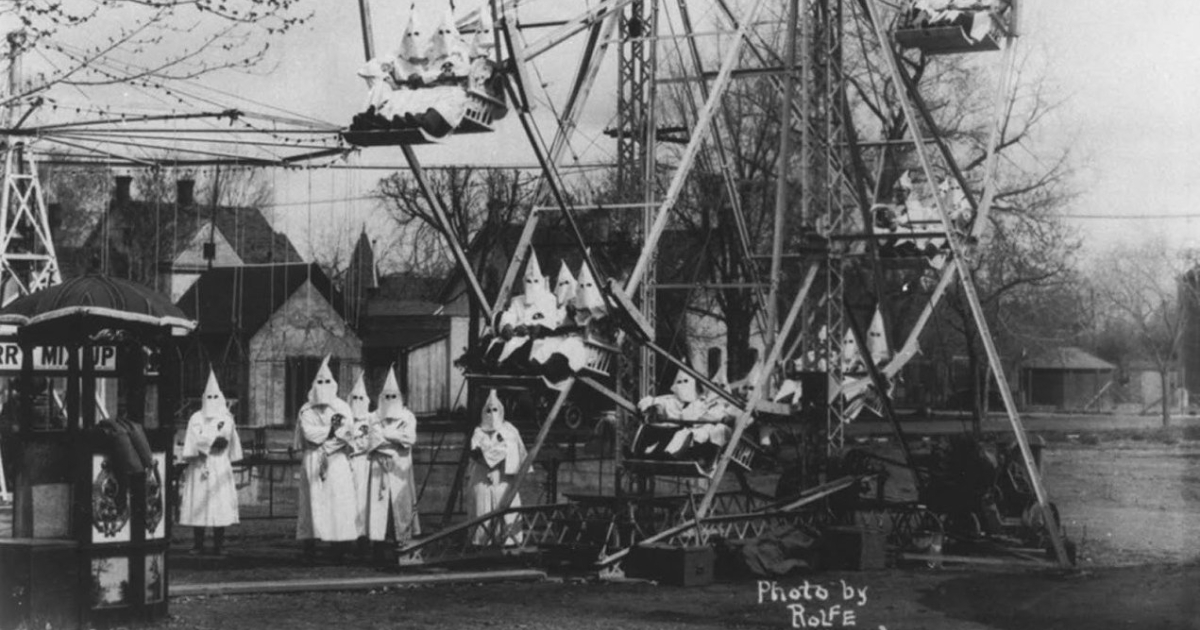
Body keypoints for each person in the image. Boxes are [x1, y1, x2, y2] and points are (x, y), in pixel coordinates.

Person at [294, 356, 359, 560]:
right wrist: (331, 431)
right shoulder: (306, 409)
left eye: (326, 382)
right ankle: (310, 544)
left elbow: (346, 434)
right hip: (313, 459)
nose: (323, 386)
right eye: (319, 382)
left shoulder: (342, 407)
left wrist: (326, 442)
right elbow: (308, 433)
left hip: (336, 460)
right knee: (312, 500)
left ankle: (338, 545)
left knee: (337, 500)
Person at [178, 370, 244, 555]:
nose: (212, 399)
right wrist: (211, 440)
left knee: (218, 503)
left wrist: (207, 439)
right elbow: (194, 440)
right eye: (209, 396)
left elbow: (225, 440)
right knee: (199, 502)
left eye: (216, 396)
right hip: (200, 465)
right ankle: (198, 544)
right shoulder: (196, 418)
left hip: (219, 463)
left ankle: (218, 544)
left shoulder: (226, 418)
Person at [367, 367, 420, 553]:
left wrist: (386, 434)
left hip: (400, 465)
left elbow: (410, 439)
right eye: (386, 396)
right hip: (379, 465)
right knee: (379, 503)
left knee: (401, 501)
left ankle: (402, 539)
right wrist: (395, 438)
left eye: (393, 396)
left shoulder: (408, 416)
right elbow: (373, 441)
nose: (390, 401)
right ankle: (378, 543)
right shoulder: (372, 416)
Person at [467, 390, 526, 546]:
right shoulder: (478, 431)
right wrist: (495, 452)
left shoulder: (509, 430)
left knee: (506, 509)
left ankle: (508, 541)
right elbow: (476, 452)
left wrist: (491, 452)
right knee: (482, 509)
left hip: (503, 479)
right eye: (488, 410)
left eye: (495, 410)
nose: (492, 414)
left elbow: (511, 449)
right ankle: (481, 542)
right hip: (482, 477)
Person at [346, 373, 375, 553]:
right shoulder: (345, 419)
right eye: (354, 398)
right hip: (347, 463)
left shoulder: (371, 420)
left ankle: (363, 539)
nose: (357, 401)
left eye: (360, 398)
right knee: (348, 501)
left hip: (365, 463)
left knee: (363, 502)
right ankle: (346, 539)